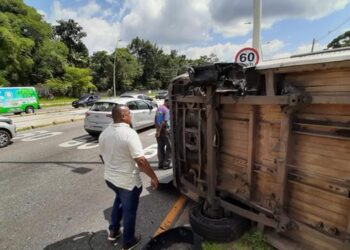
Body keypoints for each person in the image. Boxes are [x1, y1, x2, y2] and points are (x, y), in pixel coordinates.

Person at [99, 105, 159, 250]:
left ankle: (113, 231)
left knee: (119, 200)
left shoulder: (104, 133)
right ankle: (128, 241)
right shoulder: (129, 133)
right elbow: (141, 161)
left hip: (110, 179)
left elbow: (102, 156)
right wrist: (154, 177)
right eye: (129, 113)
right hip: (128, 182)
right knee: (129, 211)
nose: (131, 115)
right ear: (124, 116)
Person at [155, 98, 171, 169]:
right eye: (170, 103)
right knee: (170, 147)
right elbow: (163, 122)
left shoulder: (159, 109)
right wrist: (159, 131)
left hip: (159, 130)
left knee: (160, 147)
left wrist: (157, 131)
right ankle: (166, 163)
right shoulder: (166, 110)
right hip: (165, 131)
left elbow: (157, 120)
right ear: (167, 102)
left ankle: (160, 163)